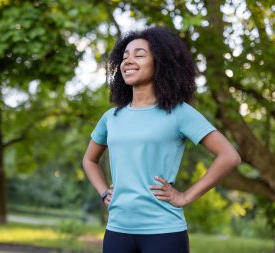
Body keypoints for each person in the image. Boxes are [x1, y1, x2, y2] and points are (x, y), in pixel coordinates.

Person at [82, 26, 241, 253]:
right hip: (117, 230)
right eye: (125, 56)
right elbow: (89, 160)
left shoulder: (179, 113)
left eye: (139, 55)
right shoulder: (111, 118)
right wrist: (104, 193)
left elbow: (229, 156)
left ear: (160, 63)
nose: (128, 61)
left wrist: (185, 196)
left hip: (163, 232)